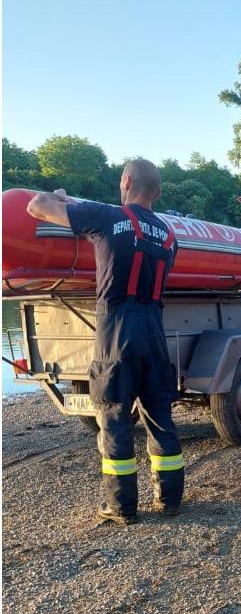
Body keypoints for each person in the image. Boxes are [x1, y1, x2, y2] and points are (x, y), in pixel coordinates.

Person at [26, 159, 184, 524]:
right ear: (157, 193)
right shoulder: (170, 236)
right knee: (160, 416)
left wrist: (59, 196)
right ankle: (170, 499)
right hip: (154, 331)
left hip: (118, 330)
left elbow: (36, 206)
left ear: (126, 181)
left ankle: (121, 506)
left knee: (114, 417)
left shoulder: (106, 217)